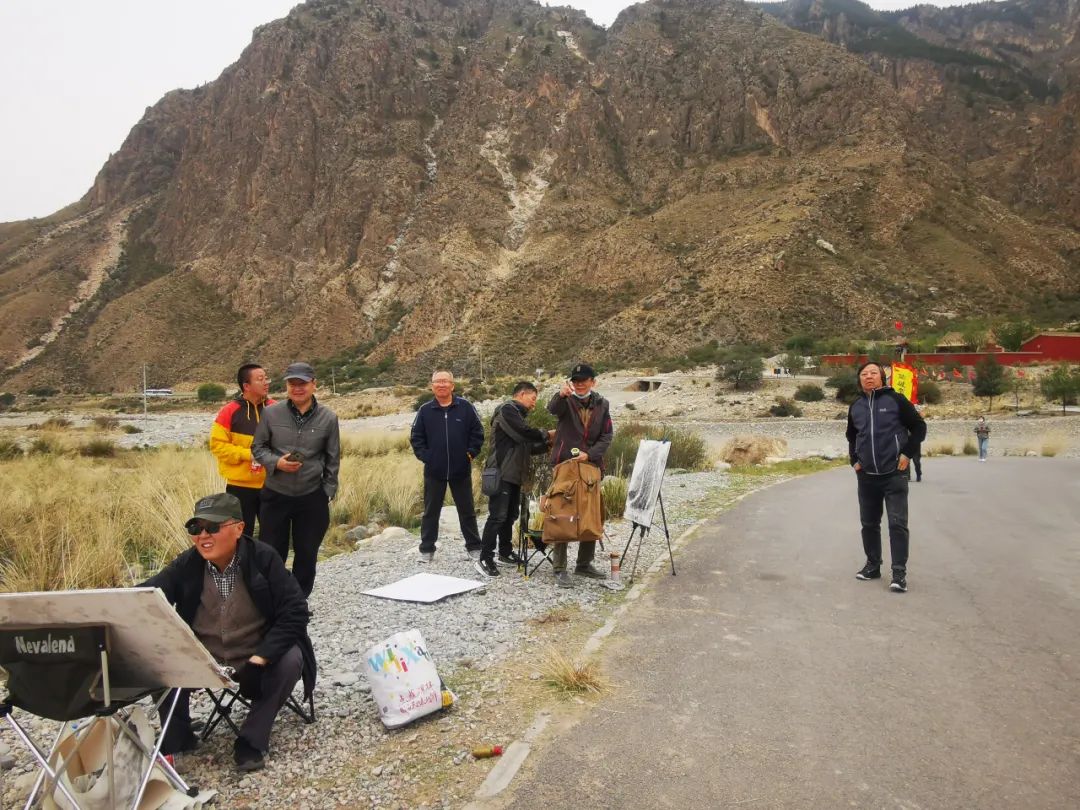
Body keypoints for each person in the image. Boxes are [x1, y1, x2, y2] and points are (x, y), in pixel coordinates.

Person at [143, 493, 316, 772]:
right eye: (195, 529)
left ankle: (251, 740)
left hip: (257, 658)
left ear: (238, 528)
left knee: (292, 659)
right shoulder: (187, 564)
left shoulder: (263, 559)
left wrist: (261, 658)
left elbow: (296, 611)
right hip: (203, 660)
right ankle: (178, 737)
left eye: (212, 527)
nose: (203, 536)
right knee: (159, 658)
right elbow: (148, 595)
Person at [252, 362, 340, 597]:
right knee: (271, 552)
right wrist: (277, 463)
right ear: (286, 385)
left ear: (314, 384)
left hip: (312, 497)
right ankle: (272, 599)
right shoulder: (271, 413)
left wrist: (327, 491)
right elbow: (257, 448)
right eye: (293, 383)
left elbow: (333, 458)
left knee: (307, 552)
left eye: (303, 383)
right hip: (275, 494)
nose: (297, 388)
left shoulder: (329, 418)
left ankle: (298, 601)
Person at [846, 361, 927, 593]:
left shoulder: (896, 400)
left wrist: (907, 454)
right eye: (864, 374)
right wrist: (855, 461)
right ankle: (873, 566)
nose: (868, 377)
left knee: (897, 524)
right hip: (867, 475)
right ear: (859, 379)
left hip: (894, 474)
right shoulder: (856, 406)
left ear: (882, 377)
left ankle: (899, 573)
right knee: (869, 524)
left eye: (873, 373)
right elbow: (851, 436)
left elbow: (919, 427)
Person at [476, 382, 553, 577]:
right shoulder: (507, 410)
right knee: (497, 516)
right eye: (533, 398)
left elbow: (525, 446)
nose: (534, 404)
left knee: (510, 516)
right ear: (522, 394)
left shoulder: (517, 416)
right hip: (501, 473)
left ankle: (505, 551)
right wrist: (547, 434)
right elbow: (524, 434)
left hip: (514, 475)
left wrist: (547, 446)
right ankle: (485, 558)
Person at [547, 363, 613, 588]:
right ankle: (559, 567)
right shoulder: (565, 400)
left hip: (591, 465)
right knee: (562, 511)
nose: (579, 384)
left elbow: (607, 435)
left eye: (584, 380)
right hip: (565, 464)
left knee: (590, 514)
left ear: (593, 382)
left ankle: (584, 564)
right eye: (576, 381)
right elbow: (552, 409)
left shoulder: (603, 405)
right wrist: (559, 395)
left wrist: (590, 454)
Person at [410, 370, 484, 562]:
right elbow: (416, 438)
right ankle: (427, 550)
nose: (441, 385)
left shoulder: (466, 407)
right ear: (432, 385)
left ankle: (474, 547)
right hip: (434, 471)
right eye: (437, 382)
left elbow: (478, 432)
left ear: (452, 385)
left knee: (467, 510)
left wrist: (470, 453)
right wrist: (427, 457)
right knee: (430, 512)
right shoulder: (425, 410)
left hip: (461, 469)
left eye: (445, 381)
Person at [210, 364, 274, 535]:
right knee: (240, 536)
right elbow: (218, 446)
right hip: (239, 487)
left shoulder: (276, 409)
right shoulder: (229, 411)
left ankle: (272, 563)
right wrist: (248, 455)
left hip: (272, 484)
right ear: (246, 386)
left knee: (274, 534)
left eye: (266, 378)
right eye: (260, 379)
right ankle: (243, 563)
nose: (266, 382)